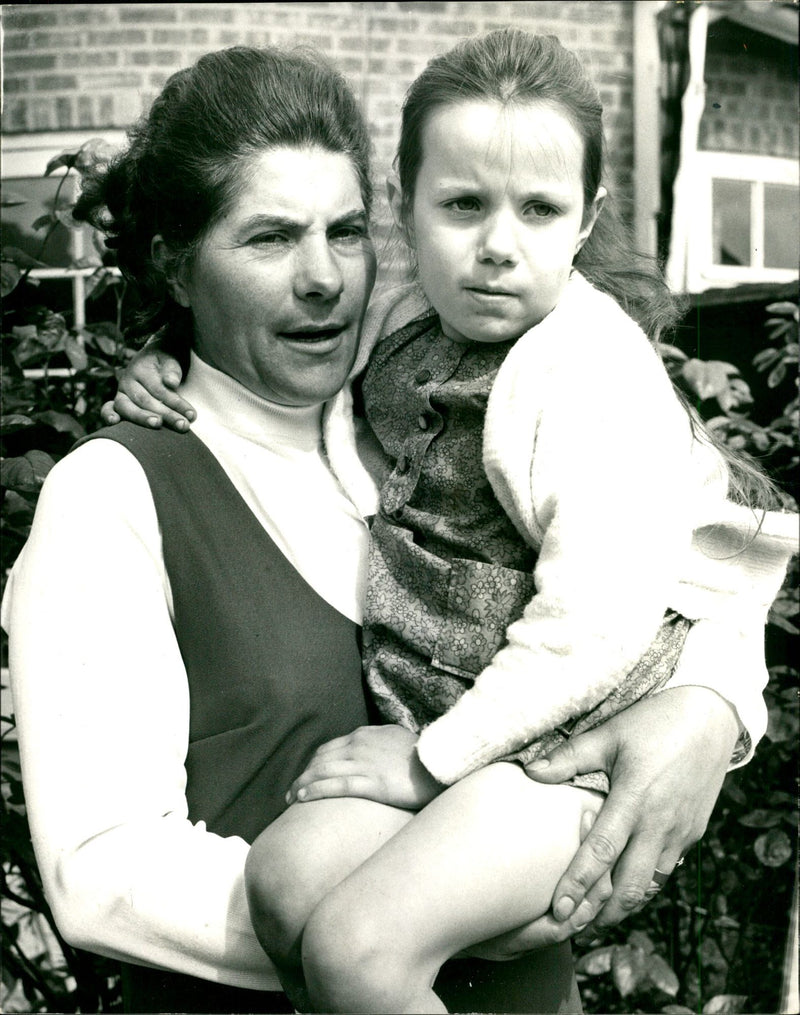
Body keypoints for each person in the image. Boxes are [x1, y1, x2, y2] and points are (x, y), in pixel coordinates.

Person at [102, 31, 797, 1015]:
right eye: (462, 206)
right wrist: (169, 359)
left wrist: (431, 763)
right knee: (286, 879)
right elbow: (309, 389)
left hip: (562, 740)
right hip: (467, 737)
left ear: (585, 217)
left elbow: (599, 617)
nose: (496, 245)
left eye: (538, 210)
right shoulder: (408, 327)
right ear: (408, 207)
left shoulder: (584, 374)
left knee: (353, 950)